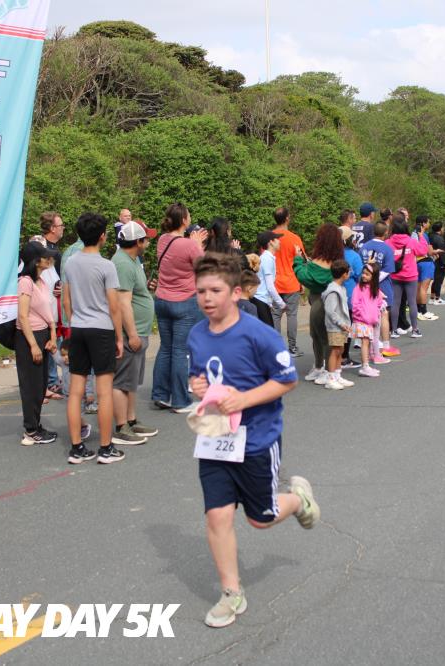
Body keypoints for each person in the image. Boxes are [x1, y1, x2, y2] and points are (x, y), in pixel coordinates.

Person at [186, 253, 318, 628]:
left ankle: (298, 499)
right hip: (215, 438)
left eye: (215, 290)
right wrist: (197, 387)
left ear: (235, 293)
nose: (207, 298)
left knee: (260, 519)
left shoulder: (259, 334)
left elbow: (287, 379)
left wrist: (244, 400)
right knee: (217, 515)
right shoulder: (197, 334)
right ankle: (231, 593)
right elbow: (199, 377)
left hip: (257, 439)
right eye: (201, 291)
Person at [62, 212, 126, 465]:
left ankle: (76, 447)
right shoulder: (106, 266)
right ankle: (106, 448)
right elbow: (114, 306)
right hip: (102, 329)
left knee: (76, 391)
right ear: (102, 236)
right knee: (104, 391)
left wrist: (74, 322)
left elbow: (66, 300)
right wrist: (119, 337)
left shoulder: (70, 263)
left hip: (78, 327)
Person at [152, 203, 207, 413]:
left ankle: (161, 394)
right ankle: (180, 400)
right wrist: (197, 245)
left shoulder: (162, 240)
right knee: (180, 351)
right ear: (184, 220)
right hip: (184, 301)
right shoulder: (189, 245)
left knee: (166, 348)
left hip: (162, 300)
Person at [110, 220, 158, 446]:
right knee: (122, 382)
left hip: (139, 329)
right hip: (133, 332)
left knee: (131, 381)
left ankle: (131, 420)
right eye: (146, 239)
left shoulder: (131, 261)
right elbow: (122, 303)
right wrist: (131, 334)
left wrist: (147, 289)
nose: (148, 242)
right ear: (138, 242)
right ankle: (121, 427)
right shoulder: (123, 264)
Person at [15, 241, 59, 446]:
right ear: (35, 260)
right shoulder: (25, 282)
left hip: (43, 334)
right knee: (31, 385)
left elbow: (47, 312)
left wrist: (52, 335)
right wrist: (33, 345)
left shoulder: (40, 281)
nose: (48, 259)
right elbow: (23, 316)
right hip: (29, 337)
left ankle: (36, 424)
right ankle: (31, 429)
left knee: (41, 385)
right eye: (44, 256)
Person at [295, 223, 344, 383]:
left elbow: (302, 276)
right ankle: (327, 370)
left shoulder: (314, 264)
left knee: (317, 336)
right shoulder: (338, 263)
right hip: (334, 302)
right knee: (326, 337)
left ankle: (322, 368)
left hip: (317, 301)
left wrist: (298, 260)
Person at [30, 212, 65, 402]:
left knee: (52, 346)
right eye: (60, 225)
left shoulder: (54, 255)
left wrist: (60, 288)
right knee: (42, 350)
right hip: (37, 318)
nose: (63, 229)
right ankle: (46, 384)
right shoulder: (30, 268)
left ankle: (48, 382)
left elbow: (55, 280)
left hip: (52, 313)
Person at [386, 214, 428, 339]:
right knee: (412, 302)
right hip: (410, 276)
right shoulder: (411, 241)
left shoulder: (388, 242)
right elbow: (423, 251)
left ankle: (394, 330)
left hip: (395, 275)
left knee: (395, 302)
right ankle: (415, 330)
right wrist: (421, 236)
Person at [270, 207, 305, 357]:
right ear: (287, 218)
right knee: (292, 315)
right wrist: (301, 282)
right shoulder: (295, 238)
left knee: (275, 316)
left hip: (274, 283)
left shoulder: (269, 238)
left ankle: (277, 348)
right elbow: (301, 261)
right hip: (292, 282)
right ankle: (292, 348)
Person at [360, 222, 398, 356]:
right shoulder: (387, 248)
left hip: (365, 284)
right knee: (384, 314)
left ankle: (369, 344)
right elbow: (387, 269)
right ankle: (385, 345)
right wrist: (374, 279)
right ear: (386, 233)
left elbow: (361, 266)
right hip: (383, 286)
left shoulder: (364, 246)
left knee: (368, 314)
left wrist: (367, 279)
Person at [322, 259, 353, 390]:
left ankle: (337, 375)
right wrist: (341, 323)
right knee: (335, 350)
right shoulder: (333, 290)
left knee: (340, 350)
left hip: (342, 326)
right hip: (335, 326)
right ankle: (330, 378)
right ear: (344, 274)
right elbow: (330, 311)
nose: (350, 274)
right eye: (348, 272)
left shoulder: (341, 288)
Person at [351, 263, 384, 377]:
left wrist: (375, 315)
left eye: (367, 274)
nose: (364, 276)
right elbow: (355, 304)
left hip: (370, 321)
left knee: (368, 342)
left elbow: (379, 302)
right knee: (365, 343)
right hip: (361, 320)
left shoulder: (375, 289)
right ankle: (364, 366)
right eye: (363, 273)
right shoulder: (358, 288)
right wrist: (362, 315)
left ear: (373, 277)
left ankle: (366, 365)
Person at [340, 226, 363, 368]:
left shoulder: (330, 255)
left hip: (332, 295)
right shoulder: (354, 256)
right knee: (347, 326)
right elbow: (361, 276)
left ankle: (333, 356)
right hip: (349, 296)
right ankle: (344, 357)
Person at [252, 231, 284, 327]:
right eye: (277, 239)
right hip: (260, 300)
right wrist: (282, 304)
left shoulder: (267, 258)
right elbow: (270, 286)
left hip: (262, 300)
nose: (279, 241)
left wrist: (269, 303)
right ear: (271, 242)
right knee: (267, 332)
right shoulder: (267, 259)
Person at [412, 216, 439, 320]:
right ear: (423, 223)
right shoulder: (424, 235)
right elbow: (429, 251)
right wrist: (437, 252)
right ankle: (424, 311)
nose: (429, 224)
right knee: (424, 288)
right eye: (428, 222)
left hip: (416, 262)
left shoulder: (413, 234)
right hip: (426, 262)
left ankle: (418, 310)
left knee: (418, 287)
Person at [428, 221, 445, 305]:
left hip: (432, 260)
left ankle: (432, 297)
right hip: (439, 261)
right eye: (442, 228)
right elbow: (443, 252)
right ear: (440, 229)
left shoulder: (430, 236)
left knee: (435, 280)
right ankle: (437, 298)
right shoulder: (439, 238)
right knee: (439, 280)